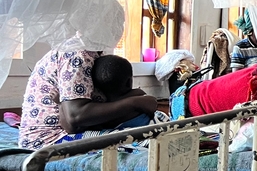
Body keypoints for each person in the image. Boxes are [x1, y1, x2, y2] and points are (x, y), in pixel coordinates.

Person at [19, 44, 158, 150]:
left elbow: (73, 125)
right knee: (130, 141)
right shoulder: (77, 55)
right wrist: (135, 102)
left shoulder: (93, 54)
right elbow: (75, 120)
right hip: (48, 141)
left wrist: (61, 104)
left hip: (65, 129)